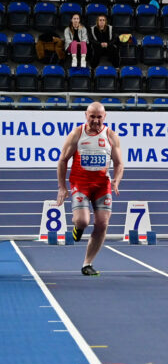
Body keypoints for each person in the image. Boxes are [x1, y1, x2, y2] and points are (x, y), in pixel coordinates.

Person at [55, 102, 124, 276]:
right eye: (92, 116)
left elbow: (119, 163)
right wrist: (62, 187)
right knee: (82, 221)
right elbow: (63, 160)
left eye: (99, 117)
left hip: (102, 185)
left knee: (102, 224)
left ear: (105, 116)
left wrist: (116, 180)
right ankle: (78, 228)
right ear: (86, 115)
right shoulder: (76, 134)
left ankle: (87, 263)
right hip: (81, 184)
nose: (95, 120)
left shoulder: (111, 136)